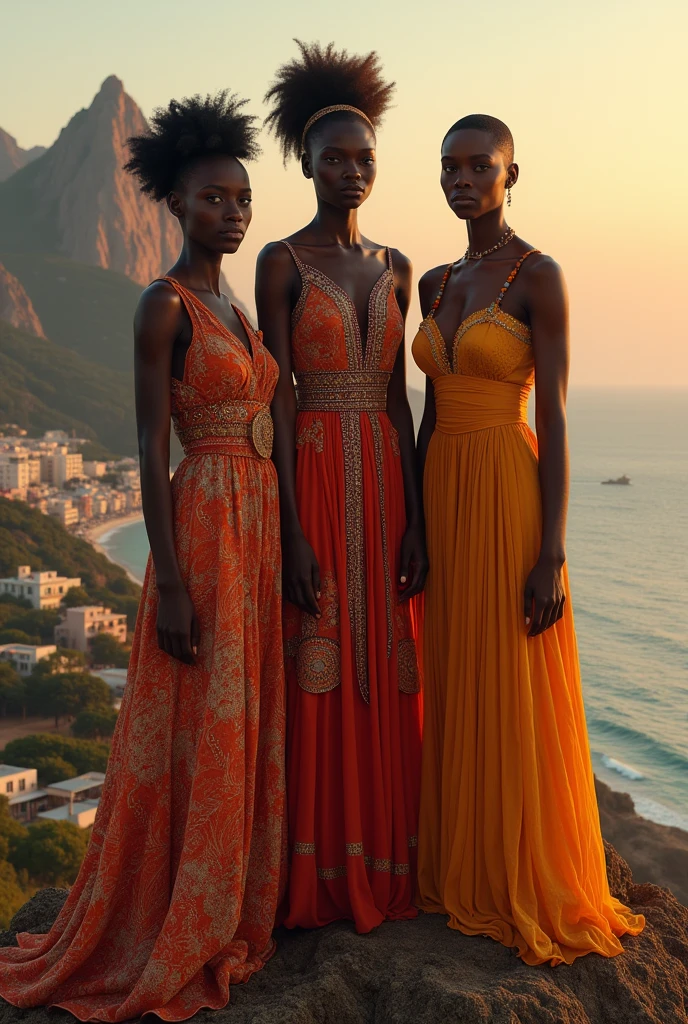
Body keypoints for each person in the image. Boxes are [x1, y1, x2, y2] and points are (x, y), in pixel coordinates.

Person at [0, 92, 286, 1020]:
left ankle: (227, 900)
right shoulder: (163, 305)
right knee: (198, 719)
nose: (233, 213)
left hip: (258, 522)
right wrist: (166, 581)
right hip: (203, 522)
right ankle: (178, 917)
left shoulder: (232, 302)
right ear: (176, 203)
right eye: (215, 199)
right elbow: (150, 451)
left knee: (240, 716)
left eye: (243, 198)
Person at [413, 114, 645, 964]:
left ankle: (518, 870)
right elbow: (428, 410)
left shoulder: (539, 275)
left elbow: (552, 415)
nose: (462, 179)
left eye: (481, 165)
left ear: (514, 174)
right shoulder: (436, 280)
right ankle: (461, 860)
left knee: (508, 677)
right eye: (450, 166)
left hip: (508, 490)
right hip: (443, 490)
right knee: (455, 671)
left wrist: (552, 552)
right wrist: (412, 520)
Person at [257, 41, 426, 934]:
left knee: (389, 664)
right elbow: (279, 398)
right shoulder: (282, 260)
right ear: (307, 163)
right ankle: (320, 874)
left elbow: (401, 401)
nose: (352, 171)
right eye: (335, 158)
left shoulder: (398, 266)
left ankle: (390, 859)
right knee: (318, 659)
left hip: (387, 478)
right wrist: (289, 527)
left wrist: (420, 522)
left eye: (365, 157)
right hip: (316, 468)